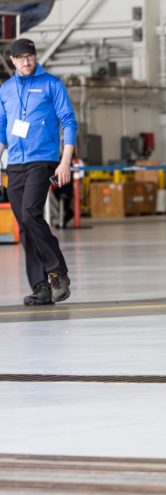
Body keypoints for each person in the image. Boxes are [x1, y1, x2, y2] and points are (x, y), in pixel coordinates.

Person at [0, 38, 77, 306]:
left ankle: (58, 272)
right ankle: (40, 286)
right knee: (24, 224)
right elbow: (1, 127)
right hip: (15, 163)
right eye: (20, 57)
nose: (26, 61)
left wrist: (64, 161)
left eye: (29, 56)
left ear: (35, 56)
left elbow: (68, 121)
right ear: (13, 60)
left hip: (42, 160)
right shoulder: (6, 89)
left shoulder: (52, 84)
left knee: (31, 213)